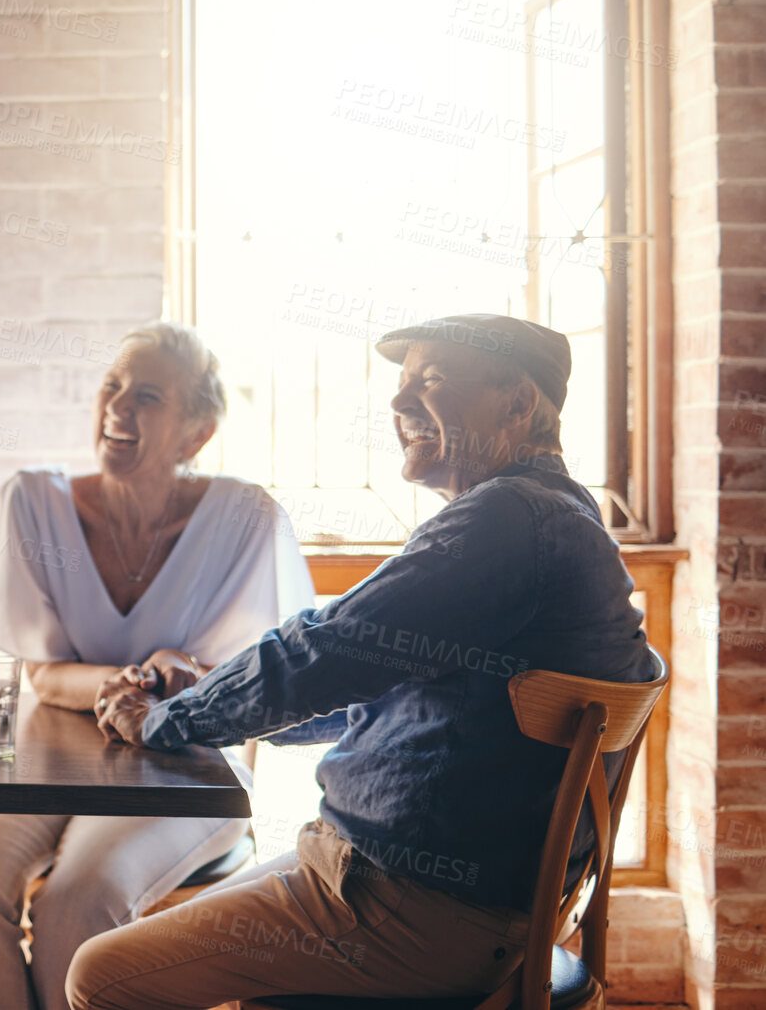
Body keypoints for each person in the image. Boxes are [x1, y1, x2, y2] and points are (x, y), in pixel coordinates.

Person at [67, 314, 655, 1010]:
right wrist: (207, 694)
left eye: (430, 382)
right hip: (418, 891)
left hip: (408, 910)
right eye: (401, 386)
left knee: (101, 976)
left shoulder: (506, 522)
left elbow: (324, 650)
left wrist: (164, 719)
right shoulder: (555, 517)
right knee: (161, 951)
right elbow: (386, 685)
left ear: (518, 404)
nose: (399, 405)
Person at [0, 321, 315, 1010]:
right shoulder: (33, 504)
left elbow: (266, 682)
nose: (118, 407)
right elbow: (45, 674)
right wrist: (123, 682)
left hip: (186, 773)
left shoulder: (247, 520)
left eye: (147, 395)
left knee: (77, 905)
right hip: (49, 765)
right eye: (111, 386)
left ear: (195, 434)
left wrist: (181, 677)